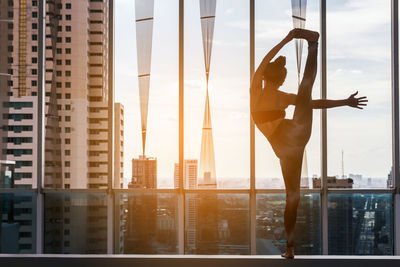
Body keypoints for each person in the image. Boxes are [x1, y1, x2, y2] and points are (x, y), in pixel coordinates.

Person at [250, 28, 367, 259]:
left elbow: (265, 60)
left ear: (265, 76)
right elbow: (312, 103)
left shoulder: (256, 91)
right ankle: (313, 45)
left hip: (285, 146)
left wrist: (286, 38)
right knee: (305, 90)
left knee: (292, 196)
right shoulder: (282, 97)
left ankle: (290, 248)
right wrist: (345, 101)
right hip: (295, 137)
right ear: (281, 78)